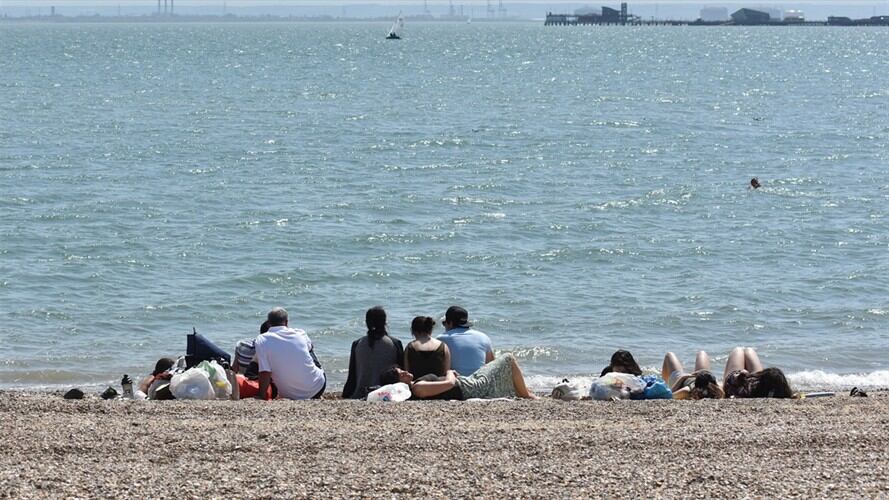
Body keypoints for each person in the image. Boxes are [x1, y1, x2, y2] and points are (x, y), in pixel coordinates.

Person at [379, 353, 537, 401]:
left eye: (402, 370)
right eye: (401, 375)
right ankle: (527, 395)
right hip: (472, 387)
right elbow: (448, 384)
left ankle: (525, 392)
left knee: (500, 367)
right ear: (398, 385)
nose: (405, 372)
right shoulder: (418, 388)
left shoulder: (417, 384)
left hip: (468, 382)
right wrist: (449, 372)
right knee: (508, 359)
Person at [253, 307, 326, 400]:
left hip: (289, 395)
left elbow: (265, 371)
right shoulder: (300, 333)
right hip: (318, 388)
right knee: (308, 349)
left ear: (269, 323)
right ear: (286, 322)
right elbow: (310, 348)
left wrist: (262, 395)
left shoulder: (261, 340)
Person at [342, 306, 405, 399]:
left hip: (360, 395)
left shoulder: (357, 344)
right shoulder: (395, 343)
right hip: (387, 396)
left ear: (367, 323)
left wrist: (346, 395)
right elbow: (402, 375)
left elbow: (352, 377)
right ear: (385, 322)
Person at [437, 306, 494, 375]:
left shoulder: (441, 339)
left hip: (456, 383)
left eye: (444, 323)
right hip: (479, 383)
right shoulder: (484, 337)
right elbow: (491, 365)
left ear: (450, 323)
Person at [722, 347, 794, 398]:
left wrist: (742, 374)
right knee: (747, 350)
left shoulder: (745, 390)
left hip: (735, 382)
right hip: (743, 382)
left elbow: (735, 380)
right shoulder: (781, 393)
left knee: (739, 350)